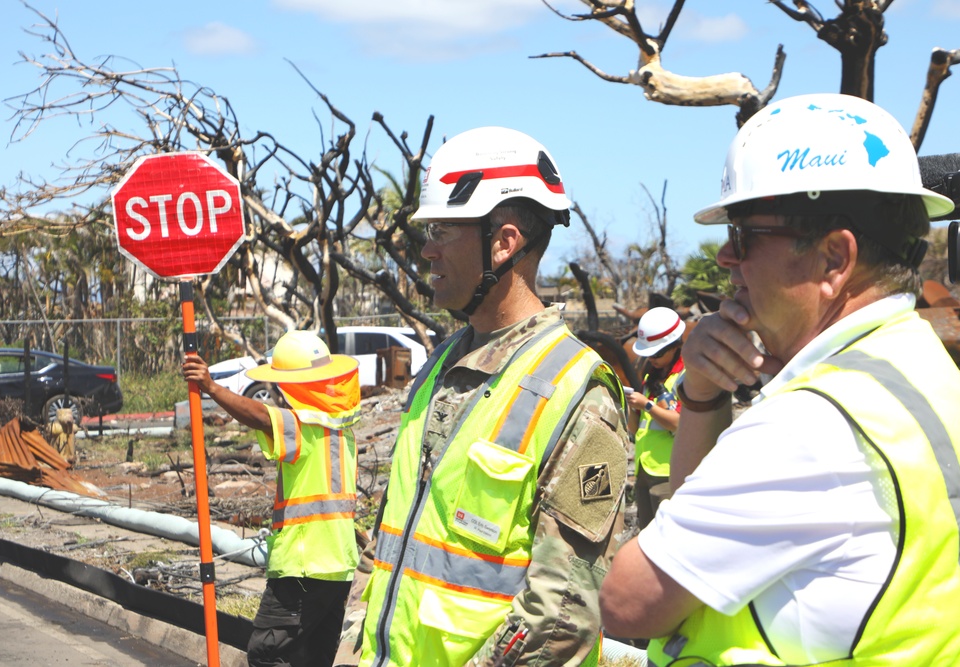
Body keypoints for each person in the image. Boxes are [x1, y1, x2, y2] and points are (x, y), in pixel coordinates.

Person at [599, 92, 960, 666]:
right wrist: (702, 394)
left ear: (834, 259)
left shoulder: (809, 427)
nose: (727, 257)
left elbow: (626, 602)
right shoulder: (913, 361)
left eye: (745, 233)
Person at [333, 126, 630, 667]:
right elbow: (399, 552)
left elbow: (563, 612)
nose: (426, 250)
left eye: (442, 230)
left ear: (504, 241)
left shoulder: (576, 390)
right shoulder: (439, 368)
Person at [183, 330, 361, 667]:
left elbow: (262, 416)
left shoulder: (303, 424)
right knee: (311, 659)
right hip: (338, 567)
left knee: (266, 652)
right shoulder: (340, 428)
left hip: (304, 565)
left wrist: (212, 387)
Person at [625, 307, 684, 528]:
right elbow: (634, 428)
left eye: (657, 354)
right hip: (644, 469)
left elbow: (679, 423)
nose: (652, 360)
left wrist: (647, 405)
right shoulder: (652, 377)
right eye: (648, 355)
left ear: (675, 346)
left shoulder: (685, 377)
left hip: (668, 472)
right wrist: (633, 406)